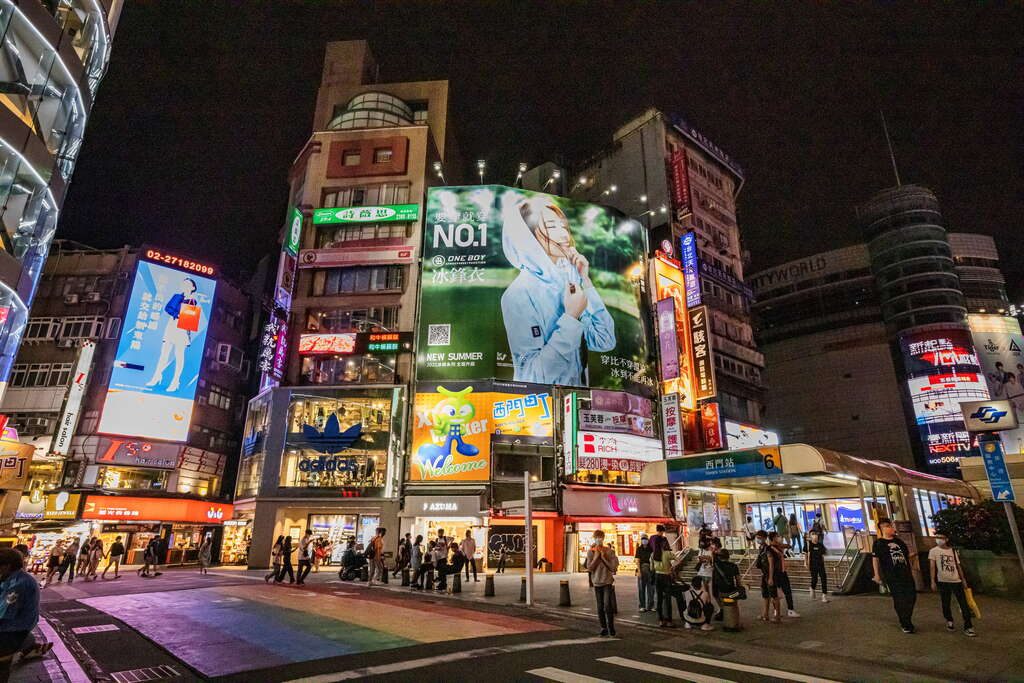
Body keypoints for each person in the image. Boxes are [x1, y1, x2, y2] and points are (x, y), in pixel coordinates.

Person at [500, 199, 616, 386]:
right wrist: (570, 318)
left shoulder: (569, 283)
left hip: (576, 404)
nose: (563, 234)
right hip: (541, 410)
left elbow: (605, 340)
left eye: (563, 226)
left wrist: (585, 280)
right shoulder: (518, 294)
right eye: (552, 226)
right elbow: (531, 378)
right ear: (527, 236)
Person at [146, 277, 201, 393]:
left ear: (193, 288)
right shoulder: (177, 296)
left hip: (182, 329)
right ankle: (156, 377)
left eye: (188, 284)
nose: (185, 285)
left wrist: (179, 314)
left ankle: (175, 381)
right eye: (184, 283)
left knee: (179, 355)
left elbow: (188, 316)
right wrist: (178, 314)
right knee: (164, 353)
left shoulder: (193, 301)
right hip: (172, 325)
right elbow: (168, 308)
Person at [872, 518, 918, 634]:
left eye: (890, 525)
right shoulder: (879, 543)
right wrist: (877, 575)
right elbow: (875, 559)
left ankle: (906, 618)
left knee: (911, 596)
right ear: (882, 528)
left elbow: (906, 556)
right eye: (887, 526)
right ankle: (905, 622)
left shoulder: (899, 542)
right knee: (899, 598)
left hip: (906, 573)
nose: (890, 528)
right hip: (892, 575)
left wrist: (913, 565)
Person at [0, 548, 40, 680]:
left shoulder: (18, 584)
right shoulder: (11, 578)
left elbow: (4, 614)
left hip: (12, 631)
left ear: (7, 566)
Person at [928, 533, 975, 637]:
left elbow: (958, 566)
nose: (938, 540)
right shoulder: (933, 551)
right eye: (937, 538)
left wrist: (963, 580)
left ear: (946, 539)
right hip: (943, 581)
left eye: (941, 538)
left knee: (963, 603)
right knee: (946, 602)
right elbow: (932, 567)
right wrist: (932, 580)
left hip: (956, 580)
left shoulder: (952, 551)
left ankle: (968, 626)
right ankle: (949, 620)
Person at [585, 529, 619, 637]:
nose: (598, 539)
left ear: (603, 538)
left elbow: (613, 568)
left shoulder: (609, 551)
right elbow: (589, 568)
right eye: (596, 537)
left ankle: (611, 627)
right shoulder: (591, 552)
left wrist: (604, 557)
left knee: (607, 605)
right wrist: (596, 558)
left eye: (600, 537)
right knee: (600, 606)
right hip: (597, 582)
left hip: (607, 581)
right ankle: (603, 627)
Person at [651, 534, 676, 628]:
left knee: (659, 599)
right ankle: (669, 620)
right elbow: (678, 559)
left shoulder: (653, 554)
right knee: (668, 599)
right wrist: (672, 567)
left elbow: (651, 567)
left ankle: (661, 620)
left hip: (657, 576)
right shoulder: (667, 553)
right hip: (666, 577)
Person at [756, 530, 780, 623]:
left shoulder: (768, 549)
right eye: (757, 538)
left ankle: (777, 615)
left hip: (770, 574)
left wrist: (770, 577)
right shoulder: (761, 548)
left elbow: (771, 563)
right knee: (765, 595)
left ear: (765, 538)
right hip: (764, 574)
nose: (758, 539)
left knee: (774, 595)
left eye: (760, 538)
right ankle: (765, 614)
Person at [805, 530, 830, 603]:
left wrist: (824, 563)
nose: (815, 536)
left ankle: (824, 596)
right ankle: (812, 588)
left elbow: (823, 555)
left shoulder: (820, 545)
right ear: (810, 536)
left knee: (823, 579)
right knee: (814, 579)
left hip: (820, 565)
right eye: (813, 534)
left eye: (816, 534)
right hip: (813, 565)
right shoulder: (809, 545)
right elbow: (807, 555)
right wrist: (807, 564)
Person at [635, 533, 654, 612]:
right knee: (641, 589)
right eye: (643, 539)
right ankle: (642, 606)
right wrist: (639, 571)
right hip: (642, 569)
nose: (644, 540)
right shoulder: (639, 549)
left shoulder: (651, 548)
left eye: (645, 539)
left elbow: (653, 559)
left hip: (650, 569)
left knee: (651, 589)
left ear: (648, 540)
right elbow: (637, 560)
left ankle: (651, 605)